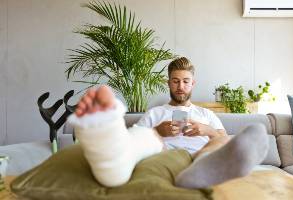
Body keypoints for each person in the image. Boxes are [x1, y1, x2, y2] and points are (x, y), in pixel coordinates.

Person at [68, 57, 269, 189]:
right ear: (168, 83)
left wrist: (207, 130)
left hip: (203, 158)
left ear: (193, 83)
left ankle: (202, 167)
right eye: (175, 81)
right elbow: (132, 137)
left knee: (220, 141)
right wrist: (157, 131)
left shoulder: (205, 114)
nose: (180, 86)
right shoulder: (156, 113)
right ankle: (112, 155)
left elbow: (224, 140)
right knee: (148, 139)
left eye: (185, 81)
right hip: (166, 156)